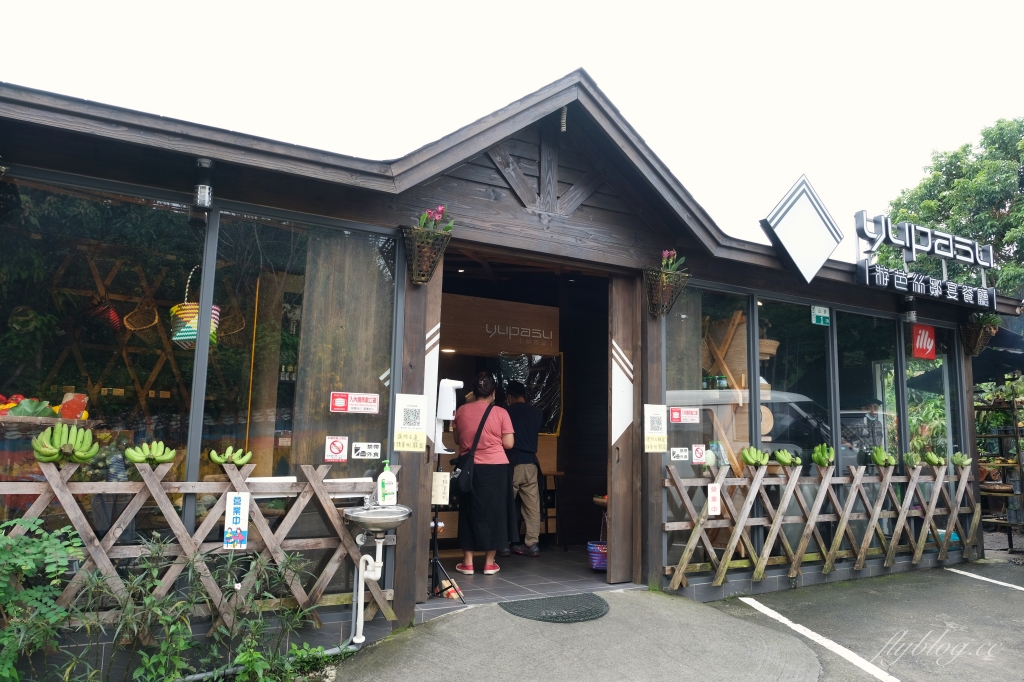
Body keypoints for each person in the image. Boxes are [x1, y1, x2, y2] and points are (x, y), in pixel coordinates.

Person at [451, 372, 517, 575]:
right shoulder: (501, 413)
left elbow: (456, 440)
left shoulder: (460, 411)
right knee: (495, 512)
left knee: (469, 511)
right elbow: (509, 443)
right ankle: (489, 563)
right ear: (493, 392)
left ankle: (468, 562)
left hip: (470, 469)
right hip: (496, 469)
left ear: (474, 391)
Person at [503, 380, 544, 557]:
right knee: (532, 506)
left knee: (505, 503)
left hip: (512, 462)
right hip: (531, 464)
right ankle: (532, 544)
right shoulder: (537, 413)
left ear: (510, 396)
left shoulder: (506, 411)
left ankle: (503, 544)